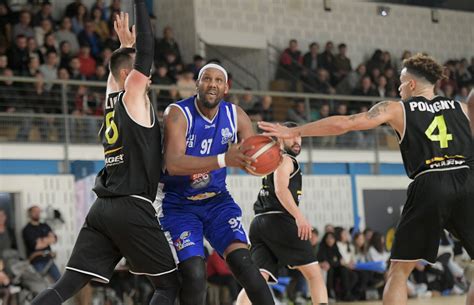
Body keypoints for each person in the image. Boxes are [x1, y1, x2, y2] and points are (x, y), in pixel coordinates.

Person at [259, 53, 474, 305]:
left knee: (398, 272)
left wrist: (295, 130)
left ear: (412, 85)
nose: (399, 87)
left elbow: (345, 124)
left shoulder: (397, 108)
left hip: (430, 181)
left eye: (401, 82)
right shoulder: (460, 108)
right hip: (467, 179)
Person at [31, 5, 179, 305]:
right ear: (130, 74)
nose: (148, 77)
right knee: (168, 286)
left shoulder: (112, 96)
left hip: (102, 209)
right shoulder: (132, 95)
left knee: (66, 285)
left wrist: (125, 46)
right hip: (131, 205)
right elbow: (146, 53)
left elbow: (116, 70)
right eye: (141, 72)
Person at [158, 62, 275, 305]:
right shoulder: (178, 113)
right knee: (195, 274)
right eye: (207, 79)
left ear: (226, 87)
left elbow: (252, 156)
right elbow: (173, 163)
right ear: (197, 84)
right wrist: (224, 159)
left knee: (246, 267)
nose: (213, 84)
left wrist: (268, 156)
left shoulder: (237, 116)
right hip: (178, 205)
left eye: (218, 80)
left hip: (217, 202)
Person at [236, 121, 328, 305]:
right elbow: (280, 189)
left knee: (258, 279)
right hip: (279, 220)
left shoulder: (272, 160)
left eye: (298, 136)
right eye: (290, 136)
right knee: (315, 275)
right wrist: (299, 216)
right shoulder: (286, 159)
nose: (296, 140)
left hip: (259, 223)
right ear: (279, 139)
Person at [22, 205, 61, 282]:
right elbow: (36, 245)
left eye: (39, 211)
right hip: (37, 261)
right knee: (41, 284)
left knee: (60, 281)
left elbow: (54, 239)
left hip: (49, 260)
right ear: (30, 213)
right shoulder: (27, 229)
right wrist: (48, 240)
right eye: (35, 211)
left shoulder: (45, 226)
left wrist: (42, 240)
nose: (37, 213)